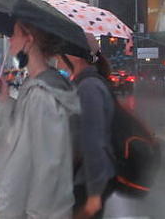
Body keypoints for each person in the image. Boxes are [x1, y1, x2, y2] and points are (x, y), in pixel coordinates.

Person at [0, 20, 82, 219]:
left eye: (14, 34)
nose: (10, 40)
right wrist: (6, 100)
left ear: (29, 40)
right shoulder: (36, 86)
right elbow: (27, 132)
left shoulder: (42, 94)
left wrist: (3, 214)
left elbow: (25, 167)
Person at [58, 40, 116, 219]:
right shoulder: (81, 84)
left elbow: (93, 142)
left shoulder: (88, 87)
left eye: (61, 51)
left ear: (75, 57)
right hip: (83, 180)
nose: (57, 57)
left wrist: (94, 194)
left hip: (87, 183)